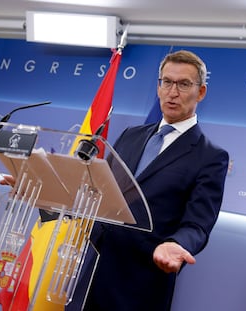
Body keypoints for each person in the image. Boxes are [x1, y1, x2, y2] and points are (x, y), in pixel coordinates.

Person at [67, 49, 229, 311]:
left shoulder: (210, 156)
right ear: (158, 86)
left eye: (184, 84)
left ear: (200, 92)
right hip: (92, 272)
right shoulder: (131, 135)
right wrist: (39, 186)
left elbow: (198, 225)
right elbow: (98, 190)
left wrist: (176, 245)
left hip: (141, 284)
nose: (172, 92)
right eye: (166, 82)